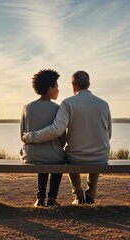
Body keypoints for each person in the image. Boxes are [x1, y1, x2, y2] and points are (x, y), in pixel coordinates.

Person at [22, 70, 111, 204]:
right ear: (89, 84)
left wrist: (30, 137)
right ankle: (91, 194)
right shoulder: (104, 104)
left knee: (68, 155)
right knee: (96, 151)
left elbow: (56, 130)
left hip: (75, 157)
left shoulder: (68, 103)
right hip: (101, 156)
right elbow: (108, 134)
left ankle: (78, 195)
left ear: (73, 85)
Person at [20, 69, 66, 207]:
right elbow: (62, 138)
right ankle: (51, 198)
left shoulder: (27, 107)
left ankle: (40, 198)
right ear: (50, 89)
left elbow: (22, 134)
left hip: (31, 156)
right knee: (56, 157)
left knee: (43, 157)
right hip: (53, 157)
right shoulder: (58, 109)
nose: (58, 90)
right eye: (57, 87)